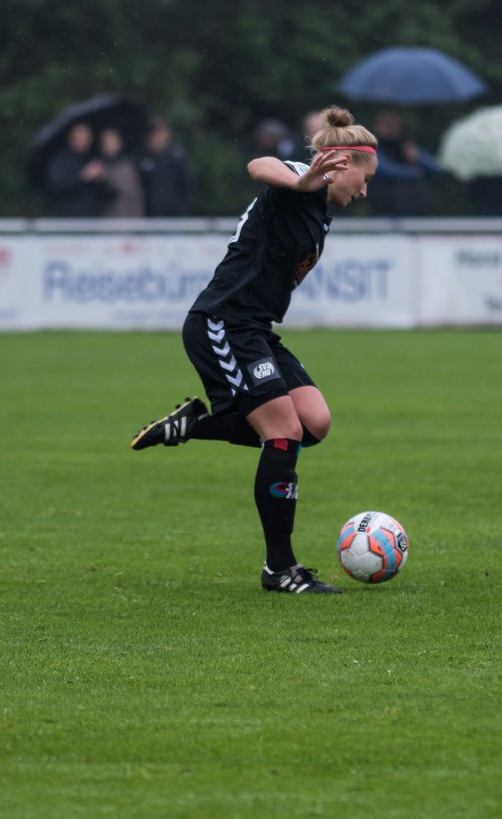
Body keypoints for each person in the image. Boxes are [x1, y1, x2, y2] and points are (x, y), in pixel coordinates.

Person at [128, 106, 378, 595]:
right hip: (221, 321)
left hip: (256, 329)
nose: (365, 190)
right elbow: (258, 165)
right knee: (283, 431)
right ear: (341, 163)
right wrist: (304, 181)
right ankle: (280, 570)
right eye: (364, 178)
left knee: (314, 424)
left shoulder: (321, 212)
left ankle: (192, 424)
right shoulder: (296, 183)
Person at [367, 109, 439, 217]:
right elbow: (381, 169)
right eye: (387, 124)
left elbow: (435, 169)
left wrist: (417, 158)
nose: (391, 128)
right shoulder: (372, 146)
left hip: (411, 209)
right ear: (377, 126)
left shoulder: (405, 145)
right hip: (382, 209)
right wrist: (412, 172)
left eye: (394, 124)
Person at [44, 122, 111, 217]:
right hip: (67, 216)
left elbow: (109, 194)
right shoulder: (61, 159)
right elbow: (56, 186)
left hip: (92, 217)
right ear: (71, 139)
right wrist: (82, 177)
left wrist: (102, 180)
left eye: (86, 139)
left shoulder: (94, 159)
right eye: (79, 139)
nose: (83, 142)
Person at [139, 116, 193, 217]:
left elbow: (186, 186)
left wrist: (182, 209)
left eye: (160, 134)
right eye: (154, 135)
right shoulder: (142, 158)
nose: (157, 139)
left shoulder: (176, 157)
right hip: (149, 217)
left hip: (174, 217)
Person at [98, 127, 144, 217]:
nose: (110, 147)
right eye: (106, 143)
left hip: (125, 218)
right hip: (105, 220)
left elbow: (132, 195)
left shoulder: (127, 167)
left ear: (119, 144)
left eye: (112, 143)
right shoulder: (98, 166)